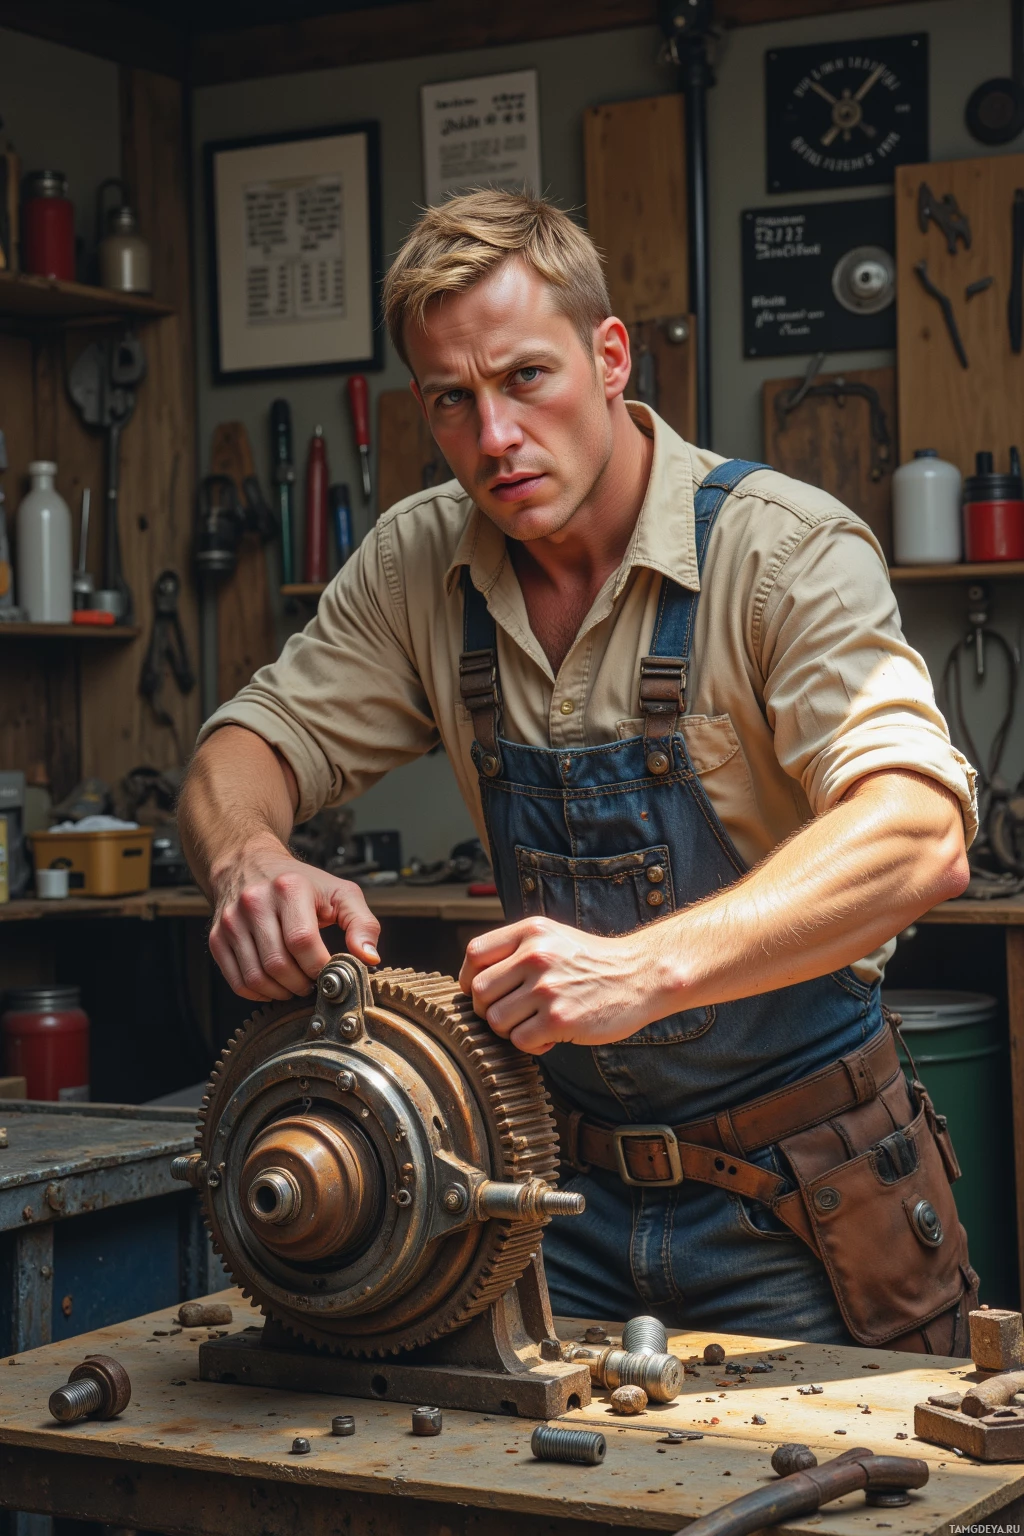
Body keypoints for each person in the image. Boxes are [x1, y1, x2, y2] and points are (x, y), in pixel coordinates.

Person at [180, 190, 977, 1351]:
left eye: (524, 380)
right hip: (552, 1193)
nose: (492, 437)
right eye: (452, 400)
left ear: (609, 357)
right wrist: (249, 857)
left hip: (803, 1197)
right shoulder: (420, 561)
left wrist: (643, 971)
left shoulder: (778, 551)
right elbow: (242, 744)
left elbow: (918, 834)